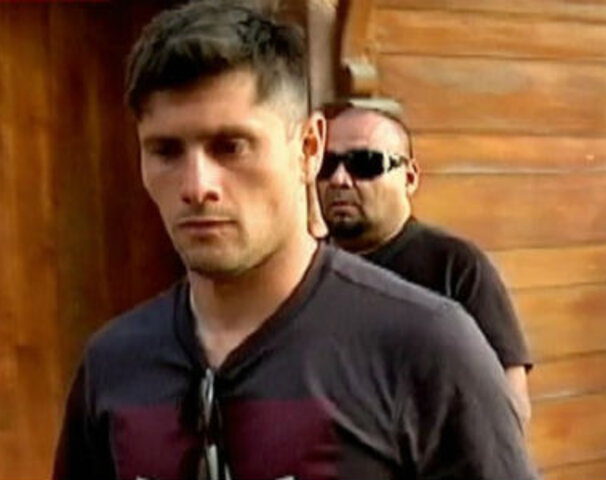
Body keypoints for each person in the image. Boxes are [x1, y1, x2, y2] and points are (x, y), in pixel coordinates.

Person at [53, 2, 538, 479]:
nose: (197, 185)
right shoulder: (114, 365)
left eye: (231, 147)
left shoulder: (424, 348)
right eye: (166, 151)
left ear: (308, 148)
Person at [316, 103, 533, 424]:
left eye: (365, 164)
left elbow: (509, 405)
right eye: (327, 165)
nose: (339, 180)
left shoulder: (456, 267)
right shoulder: (302, 270)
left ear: (410, 177)